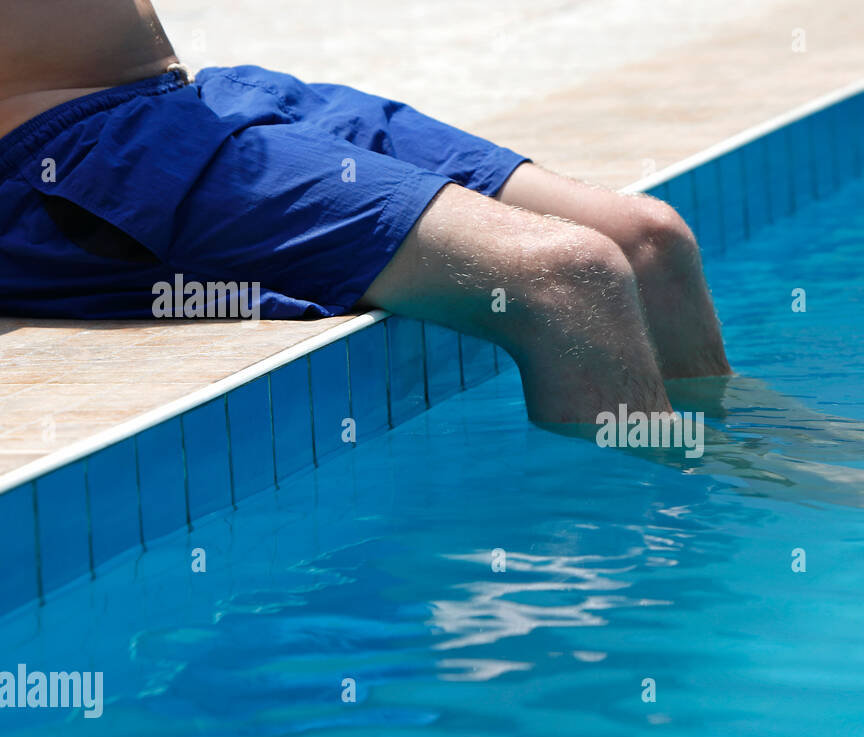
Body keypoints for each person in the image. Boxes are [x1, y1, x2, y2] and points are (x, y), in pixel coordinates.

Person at [0, 0, 729, 425]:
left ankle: (724, 456)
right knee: (571, 277)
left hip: (192, 100)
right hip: (80, 160)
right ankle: (657, 567)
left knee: (647, 240)